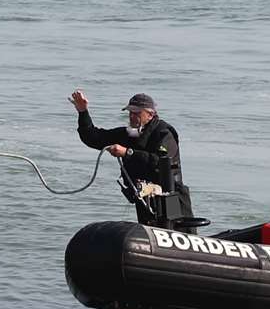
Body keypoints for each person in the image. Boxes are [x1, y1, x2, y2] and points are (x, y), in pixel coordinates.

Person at [69, 90, 193, 228]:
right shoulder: (127, 134)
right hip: (144, 197)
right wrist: (83, 112)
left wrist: (128, 153)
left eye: (137, 113)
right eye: (130, 113)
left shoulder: (164, 133)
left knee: (177, 233)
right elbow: (93, 137)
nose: (132, 117)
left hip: (172, 198)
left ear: (150, 114)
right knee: (149, 231)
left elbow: (159, 161)